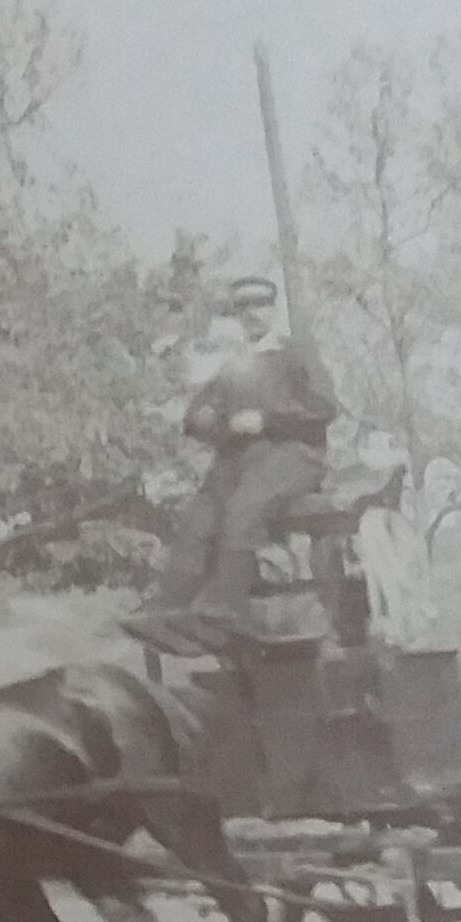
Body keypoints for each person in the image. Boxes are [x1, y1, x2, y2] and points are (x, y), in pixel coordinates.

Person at [133, 273, 338, 650]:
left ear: (272, 309)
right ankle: (172, 603)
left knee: (247, 505)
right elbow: (198, 415)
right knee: (202, 513)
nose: (251, 315)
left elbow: (325, 407)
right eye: (242, 309)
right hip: (242, 459)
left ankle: (225, 603)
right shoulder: (235, 366)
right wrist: (204, 418)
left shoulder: (295, 353)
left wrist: (267, 420)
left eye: (258, 306)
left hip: (296, 454)